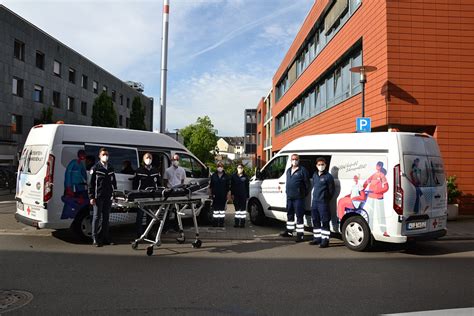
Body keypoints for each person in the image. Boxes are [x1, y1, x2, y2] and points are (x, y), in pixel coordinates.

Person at [88, 148, 117, 247]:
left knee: (106, 218)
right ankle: (95, 238)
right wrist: (91, 197)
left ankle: (105, 238)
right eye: (104, 154)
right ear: (99, 156)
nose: (106, 156)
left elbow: (114, 182)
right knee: (96, 218)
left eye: (107, 154)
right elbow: (91, 184)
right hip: (98, 197)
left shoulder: (111, 168)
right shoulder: (95, 168)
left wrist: (114, 194)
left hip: (108, 196)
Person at [280, 154, 310, 242]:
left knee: (299, 216)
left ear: (299, 160)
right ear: (291, 160)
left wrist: (302, 194)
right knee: (290, 215)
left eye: (296, 159)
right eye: (293, 159)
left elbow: (307, 184)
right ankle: (289, 232)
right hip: (289, 197)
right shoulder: (288, 170)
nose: (294, 161)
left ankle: (300, 235)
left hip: (298, 198)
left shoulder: (302, 170)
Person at [133, 153, 161, 237]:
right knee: (140, 216)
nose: (148, 159)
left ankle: (149, 233)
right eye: (147, 157)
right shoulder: (139, 171)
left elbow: (159, 184)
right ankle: (139, 234)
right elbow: (134, 184)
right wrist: (135, 195)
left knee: (150, 216)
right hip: (141, 197)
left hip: (151, 197)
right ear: (143, 159)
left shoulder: (155, 171)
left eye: (150, 157)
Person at [310, 157, 335, 248]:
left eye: (322, 164)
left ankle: (325, 240)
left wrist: (325, 199)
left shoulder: (328, 176)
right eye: (319, 164)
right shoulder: (315, 175)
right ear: (316, 166)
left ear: (325, 165)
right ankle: (317, 238)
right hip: (315, 202)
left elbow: (331, 191)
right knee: (315, 220)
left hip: (323, 203)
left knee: (325, 221)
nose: (321, 166)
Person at [61, 149, 88, 219]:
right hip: (71, 185)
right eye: (82, 155)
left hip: (79, 184)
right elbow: (68, 173)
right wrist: (68, 185)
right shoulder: (73, 162)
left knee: (81, 199)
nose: (83, 157)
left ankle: (76, 213)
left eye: (84, 155)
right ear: (79, 155)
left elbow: (83, 172)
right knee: (70, 199)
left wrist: (87, 181)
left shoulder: (81, 164)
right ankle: (66, 215)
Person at [363, 161, 389, 234]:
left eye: (379, 166)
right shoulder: (373, 175)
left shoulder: (382, 175)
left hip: (378, 197)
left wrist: (378, 191)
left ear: (381, 167)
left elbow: (386, 187)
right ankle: (369, 229)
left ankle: (384, 231)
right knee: (370, 213)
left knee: (381, 214)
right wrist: (362, 189)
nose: (378, 167)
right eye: (377, 165)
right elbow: (366, 182)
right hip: (371, 197)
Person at [209, 161, 231, 227]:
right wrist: (210, 194)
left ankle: (221, 222)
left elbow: (228, 187)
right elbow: (211, 186)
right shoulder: (213, 176)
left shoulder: (226, 176)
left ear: (223, 167)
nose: (220, 167)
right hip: (215, 195)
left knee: (222, 210)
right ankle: (215, 222)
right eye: (218, 166)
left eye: (221, 166)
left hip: (223, 195)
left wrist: (228, 195)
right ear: (216, 167)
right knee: (215, 210)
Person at [231, 163, 249, 228]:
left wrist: (247, 196)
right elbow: (232, 186)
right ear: (237, 168)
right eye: (239, 167)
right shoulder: (233, 176)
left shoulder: (246, 177)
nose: (240, 168)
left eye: (241, 167)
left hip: (243, 195)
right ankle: (236, 223)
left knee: (243, 211)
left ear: (243, 168)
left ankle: (242, 224)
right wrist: (232, 194)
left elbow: (247, 187)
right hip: (236, 195)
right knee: (237, 210)